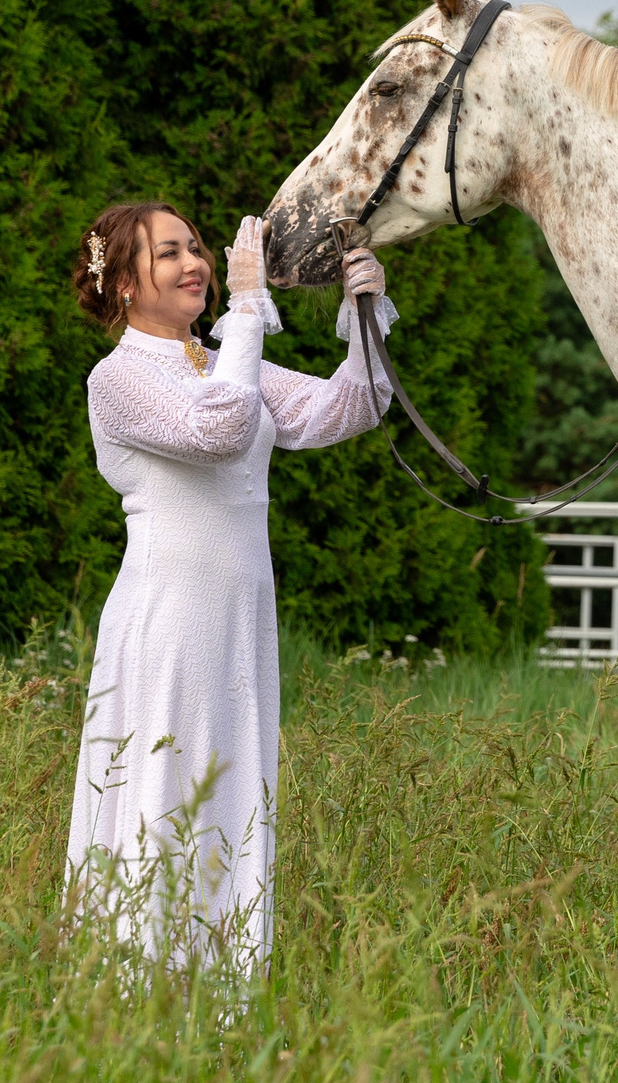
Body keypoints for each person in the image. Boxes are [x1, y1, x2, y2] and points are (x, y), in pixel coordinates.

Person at [63, 203, 393, 975]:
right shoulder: (115, 379)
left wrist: (364, 315)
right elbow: (217, 432)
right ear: (121, 283)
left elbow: (350, 407)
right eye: (168, 251)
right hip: (167, 625)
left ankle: (222, 1002)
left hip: (240, 628)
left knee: (230, 801)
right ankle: (134, 1002)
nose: (196, 263)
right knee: (161, 794)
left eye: (198, 247)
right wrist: (248, 307)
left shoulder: (223, 362)